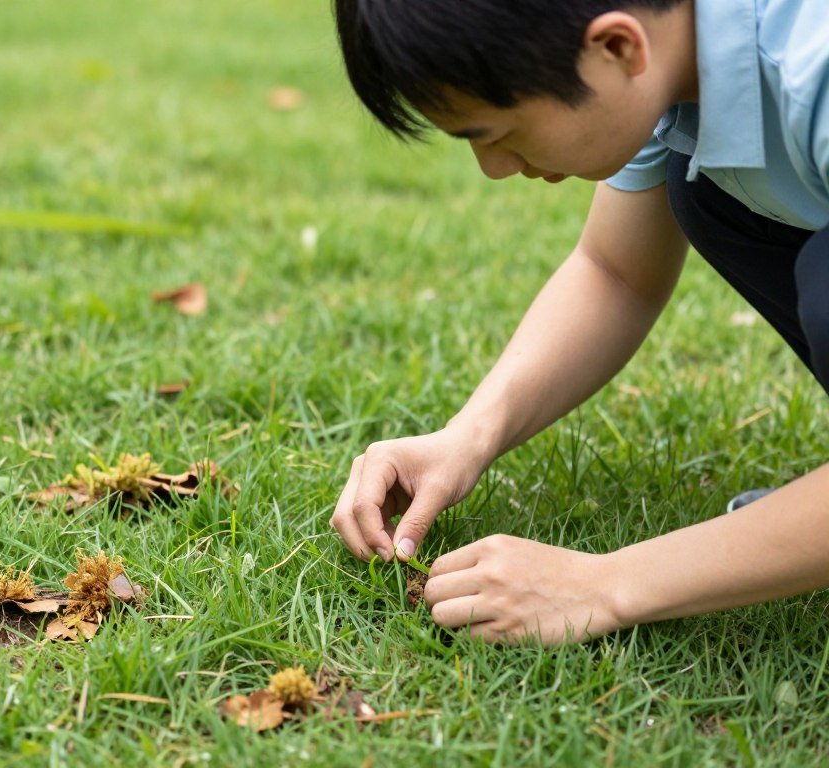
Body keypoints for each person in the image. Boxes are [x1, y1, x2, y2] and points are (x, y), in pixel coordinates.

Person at [328, 0, 829, 645]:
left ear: (617, 49)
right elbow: (615, 271)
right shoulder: (671, 61)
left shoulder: (810, 64)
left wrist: (607, 584)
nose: (495, 168)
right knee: (702, 186)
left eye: (495, 133)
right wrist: (465, 439)